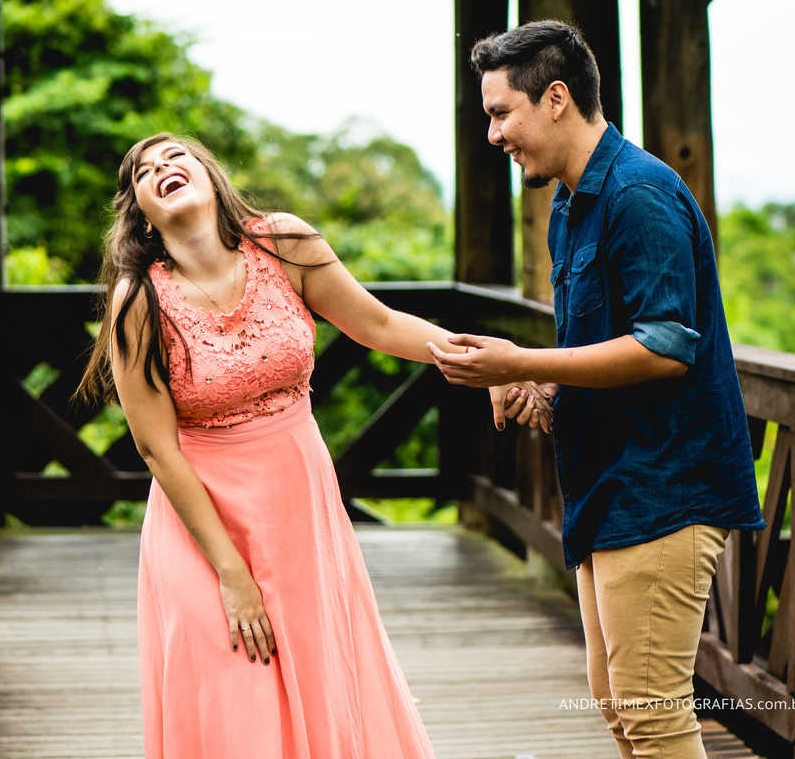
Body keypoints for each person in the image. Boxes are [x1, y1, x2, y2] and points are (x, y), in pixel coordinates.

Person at [75, 132, 555, 758]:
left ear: (209, 173)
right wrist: (231, 573)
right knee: (235, 704)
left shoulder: (283, 243)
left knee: (319, 684)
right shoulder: (137, 302)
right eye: (145, 171)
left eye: (177, 157)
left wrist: (490, 365)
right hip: (201, 530)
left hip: (297, 513)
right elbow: (157, 449)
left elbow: (378, 323)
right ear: (139, 211)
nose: (163, 169)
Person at [427, 21, 766, 759]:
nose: (493, 135)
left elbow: (669, 346)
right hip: (606, 488)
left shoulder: (639, 195)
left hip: (663, 488)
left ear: (555, 98)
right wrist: (543, 387)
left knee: (652, 714)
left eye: (499, 113)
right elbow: (598, 348)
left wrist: (522, 362)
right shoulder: (569, 205)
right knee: (619, 706)